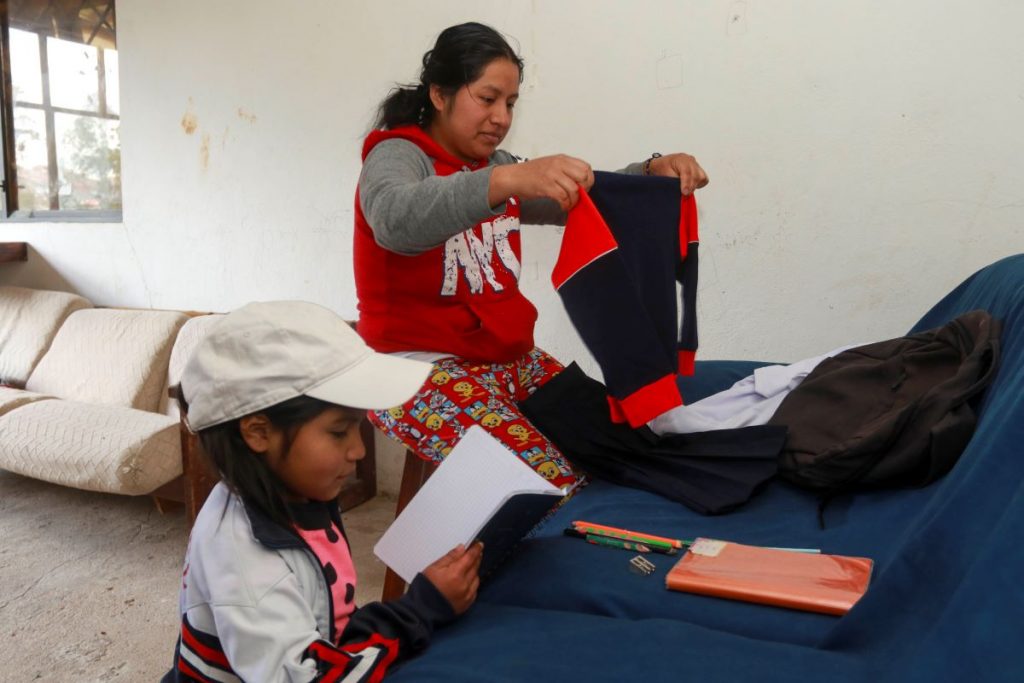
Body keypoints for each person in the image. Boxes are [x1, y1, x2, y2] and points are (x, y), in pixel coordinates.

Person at [354, 22, 709, 486]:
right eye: (488, 98)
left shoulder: (494, 165)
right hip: (408, 369)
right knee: (551, 483)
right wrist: (507, 180)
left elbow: (580, 197)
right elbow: (394, 220)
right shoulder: (397, 155)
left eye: (510, 103)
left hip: (505, 360)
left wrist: (649, 172)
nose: (501, 118)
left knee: (619, 452)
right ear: (439, 94)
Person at [161, 301, 483, 682]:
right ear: (259, 432)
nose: (358, 450)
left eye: (358, 428)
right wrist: (421, 609)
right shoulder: (246, 563)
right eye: (338, 432)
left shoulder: (294, 490)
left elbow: (327, 618)